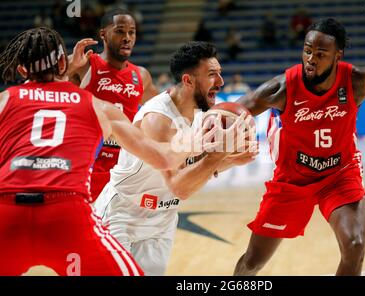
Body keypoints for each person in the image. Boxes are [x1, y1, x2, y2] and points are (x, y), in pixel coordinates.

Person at [233, 18, 365, 276]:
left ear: (337, 55)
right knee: (253, 262)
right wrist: (214, 129)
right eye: (308, 50)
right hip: (293, 179)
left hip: (340, 174)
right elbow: (238, 109)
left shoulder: (358, 81)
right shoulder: (284, 86)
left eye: (320, 54)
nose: (311, 58)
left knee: (354, 246)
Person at [0, 27, 206, 276]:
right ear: (63, 62)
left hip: (7, 215)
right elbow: (163, 158)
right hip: (67, 215)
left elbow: (43, 95)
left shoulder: (4, 101)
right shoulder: (99, 107)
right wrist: (199, 142)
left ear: (22, 70)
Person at [94, 41, 257, 276]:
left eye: (220, 74)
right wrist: (219, 155)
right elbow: (179, 186)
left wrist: (231, 160)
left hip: (162, 218)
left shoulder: (204, 113)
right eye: (212, 75)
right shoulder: (158, 119)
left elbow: (194, 168)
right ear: (188, 80)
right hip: (123, 213)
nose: (220, 83)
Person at [68, 8, 159, 201]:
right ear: (103, 34)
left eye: (131, 32)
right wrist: (71, 66)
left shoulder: (141, 75)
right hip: (87, 162)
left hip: (124, 168)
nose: (127, 37)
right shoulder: (85, 64)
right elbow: (43, 85)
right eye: (119, 31)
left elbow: (165, 112)